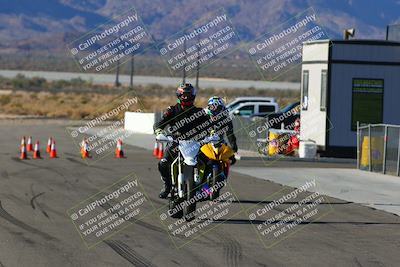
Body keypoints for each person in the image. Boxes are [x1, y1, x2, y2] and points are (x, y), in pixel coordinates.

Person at [153, 83, 207, 199]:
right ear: (179, 95)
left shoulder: (200, 112)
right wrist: (159, 133)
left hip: (195, 143)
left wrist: (211, 134)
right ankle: (167, 186)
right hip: (176, 142)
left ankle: (203, 187)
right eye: (183, 95)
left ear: (193, 96)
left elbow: (210, 125)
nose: (186, 97)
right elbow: (159, 124)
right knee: (163, 162)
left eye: (188, 95)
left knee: (208, 161)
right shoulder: (172, 110)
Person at [204, 96, 238, 164]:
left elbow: (230, 134)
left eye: (218, 107)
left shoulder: (226, 118)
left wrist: (234, 149)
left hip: (220, 143)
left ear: (222, 108)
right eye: (212, 107)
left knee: (231, 158)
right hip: (205, 143)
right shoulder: (204, 116)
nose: (215, 110)